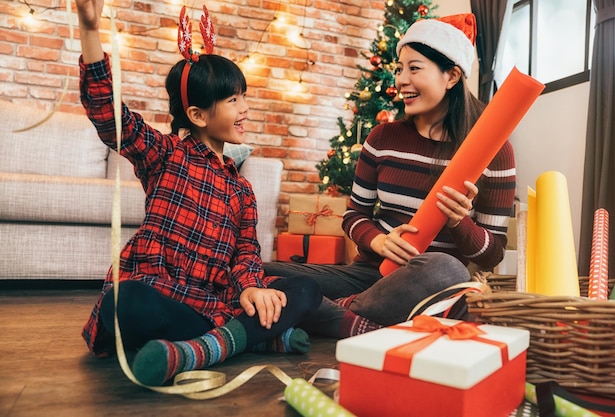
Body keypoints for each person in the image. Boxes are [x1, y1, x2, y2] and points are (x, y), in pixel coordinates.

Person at [76, 0, 321, 386]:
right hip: (165, 297)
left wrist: (253, 288)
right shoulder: (164, 155)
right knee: (124, 304)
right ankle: (250, 339)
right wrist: (90, 31)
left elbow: (246, 254)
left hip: (214, 302)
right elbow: (110, 117)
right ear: (198, 115)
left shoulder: (242, 189)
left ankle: (195, 351)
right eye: (232, 100)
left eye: (244, 96)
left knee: (305, 289)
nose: (245, 108)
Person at [264, 13, 516, 338]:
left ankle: (325, 312)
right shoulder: (382, 138)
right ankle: (347, 317)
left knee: (445, 268)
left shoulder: (494, 151)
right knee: (260, 273)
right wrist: (380, 241)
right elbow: (355, 216)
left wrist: (458, 222)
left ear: (452, 76)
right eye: (399, 69)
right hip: (368, 275)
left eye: (414, 68)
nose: (400, 80)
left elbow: (493, 252)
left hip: (428, 286)